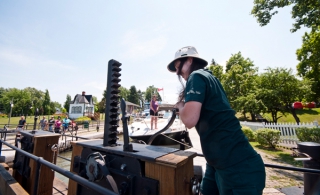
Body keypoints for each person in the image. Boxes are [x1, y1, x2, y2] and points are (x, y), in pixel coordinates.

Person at [167, 46, 266, 195]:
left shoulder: (196, 76)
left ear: (189, 59)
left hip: (238, 168)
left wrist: (180, 106)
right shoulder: (210, 78)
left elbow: (189, 120)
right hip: (218, 163)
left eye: (178, 67)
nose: (178, 72)